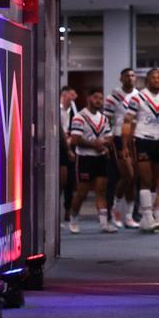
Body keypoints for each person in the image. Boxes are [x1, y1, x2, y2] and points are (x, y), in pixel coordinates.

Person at [122, 68, 159, 233]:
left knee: (154, 181)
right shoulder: (138, 97)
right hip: (143, 139)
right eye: (153, 77)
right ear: (147, 80)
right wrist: (125, 145)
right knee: (145, 178)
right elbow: (127, 120)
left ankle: (146, 217)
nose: (157, 80)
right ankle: (148, 215)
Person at [68, 88, 117, 234]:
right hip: (85, 158)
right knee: (82, 192)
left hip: (100, 158)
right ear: (89, 98)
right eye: (96, 98)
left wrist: (103, 144)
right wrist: (94, 144)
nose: (99, 101)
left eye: (101, 99)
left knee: (101, 191)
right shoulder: (79, 117)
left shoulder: (103, 118)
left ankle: (103, 223)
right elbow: (75, 139)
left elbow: (109, 137)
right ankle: (74, 219)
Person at [104, 68, 140, 229]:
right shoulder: (113, 97)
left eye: (132, 76)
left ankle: (129, 216)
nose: (130, 78)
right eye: (127, 76)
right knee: (127, 176)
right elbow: (107, 119)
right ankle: (115, 209)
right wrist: (109, 136)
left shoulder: (140, 96)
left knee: (134, 179)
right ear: (121, 78)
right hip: (118, 137)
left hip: (137, 137)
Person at [60, 86, 78, 223]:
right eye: (72, 94)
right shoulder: (57, 109)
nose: (75, 96)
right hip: (59, 147)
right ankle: (58, 209)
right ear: (65, 95)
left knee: (71, 181)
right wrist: (66, 147)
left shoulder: (73, 109)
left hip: (71, 144)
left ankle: (68, 209)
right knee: (62, 179)